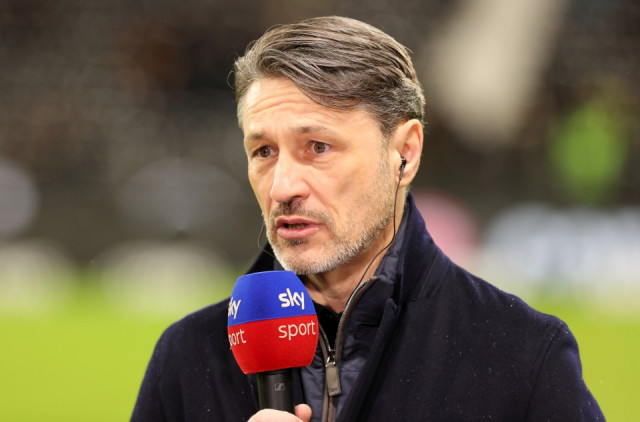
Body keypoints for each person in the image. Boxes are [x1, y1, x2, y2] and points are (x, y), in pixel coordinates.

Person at [131, 16, 604, 422]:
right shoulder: (187, 358)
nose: (282, 187)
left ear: (405, 153)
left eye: (318, 147)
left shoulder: (523, 355)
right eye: (264, 151)